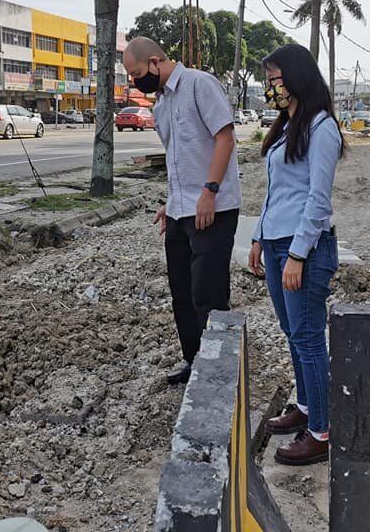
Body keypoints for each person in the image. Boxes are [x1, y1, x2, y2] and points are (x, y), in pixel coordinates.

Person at [123, 37, 241, 386]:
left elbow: (225, 138)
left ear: (155, 61)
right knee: (183, 293)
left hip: (212, 208)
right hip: (180, 209)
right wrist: (171, 202)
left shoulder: (199, 85)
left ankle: (218, 373)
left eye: (137, 73)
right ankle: (194, 361)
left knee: (209, 295)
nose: (136, 81)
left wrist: (209, 192)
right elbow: (179, 157)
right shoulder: (161, 104)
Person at [248, 43, 343, 466]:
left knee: (308, 339)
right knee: (294, 334)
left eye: (274, 79)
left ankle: (321, 432)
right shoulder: (287, 126)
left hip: (303, 247)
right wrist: (258, 236)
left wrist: (298, 255)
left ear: (297, 77)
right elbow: (278, 193)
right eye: (268, 80)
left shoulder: (321, 128)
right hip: (275, 242)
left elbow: (318, 200)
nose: (270, 87)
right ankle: (305, 407)